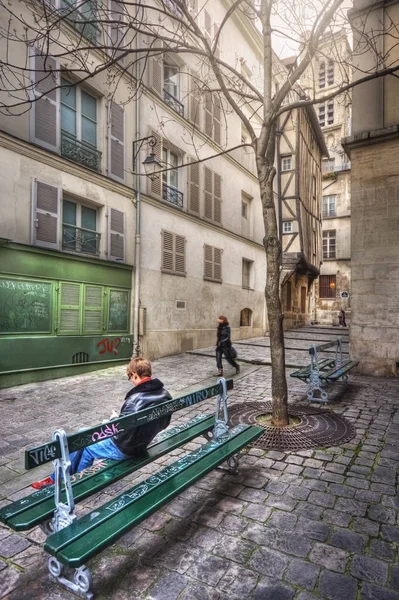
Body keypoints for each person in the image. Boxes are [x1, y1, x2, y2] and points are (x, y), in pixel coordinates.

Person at [32, 357, 172, 489]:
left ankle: (68, 481)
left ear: (135, 374)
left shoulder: (134, 400)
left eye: (130, 377)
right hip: (142, 443)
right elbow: (164, 424)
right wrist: (118, 420)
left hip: (126, 449)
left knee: (84, 442)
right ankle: (67, 479)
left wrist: (113, 420)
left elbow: (121, 433)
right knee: (84, 434)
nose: (130, 381)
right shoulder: (165, 395)